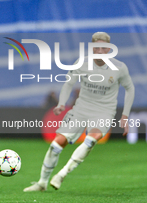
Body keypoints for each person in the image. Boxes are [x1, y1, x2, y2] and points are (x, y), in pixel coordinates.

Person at [23, 32, 135, 192]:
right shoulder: (82, 63)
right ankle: (42, 183)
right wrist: (61, 103)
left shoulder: (119, 68)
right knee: (56, 144)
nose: (101, 51)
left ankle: (61, 174)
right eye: (97, 47)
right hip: (81, 108)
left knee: (91, 139)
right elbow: (69, 84)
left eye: (105, 48)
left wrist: (124, 115)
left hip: (104, 111)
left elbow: (130, 89)